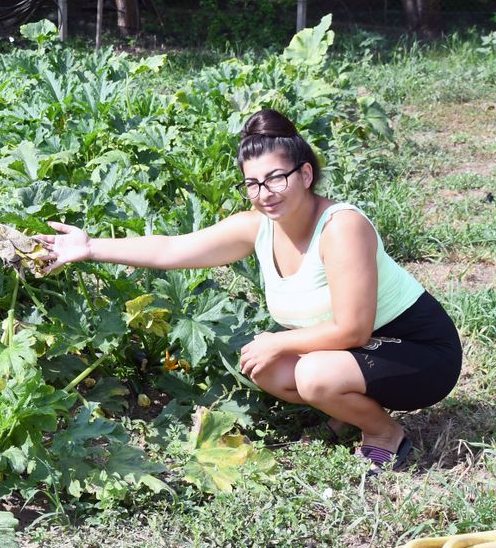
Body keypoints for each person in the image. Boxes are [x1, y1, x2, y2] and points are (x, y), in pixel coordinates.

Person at [38, 109, 461, 472]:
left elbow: (352, 329)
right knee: (268, 369)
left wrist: (278, 341)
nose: (265, 193)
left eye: (276, 178)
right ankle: (349, 413)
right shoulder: (257, 227)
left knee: (308, 374)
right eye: (253, 183)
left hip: (420, 353)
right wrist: (89, 247)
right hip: (363, 351)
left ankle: (385, 432)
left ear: (306, 174)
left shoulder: (341, 227)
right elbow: (172, 248)